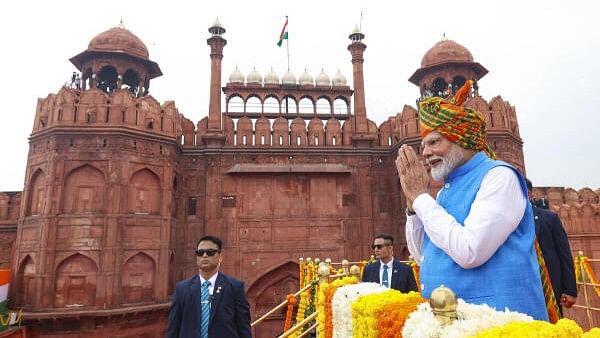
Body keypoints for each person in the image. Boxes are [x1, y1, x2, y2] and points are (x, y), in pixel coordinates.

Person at [396, 80, 548, 320]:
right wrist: (412, 207)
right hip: (455, 323)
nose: (424, 153)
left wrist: (421, 198)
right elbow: (422, 255)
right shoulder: (447, 190)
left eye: (434, 142)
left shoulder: (498, 177)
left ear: (461, 138)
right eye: (423, 145)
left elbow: (470, 251)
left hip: (499, 325)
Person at [166, 235, 251, 338]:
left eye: (210, 252)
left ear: (220, 256)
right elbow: (173, 328)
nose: (204, 256)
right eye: (200, 253)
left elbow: (243, 327)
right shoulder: (182, 289)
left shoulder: (234, 287)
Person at [526, 178, 577, 315]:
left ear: (530, 194)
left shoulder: (549, 218)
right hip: (523, 288)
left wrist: (569, 290)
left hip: (549, 287)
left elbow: (564, 255)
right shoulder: (507, 221)